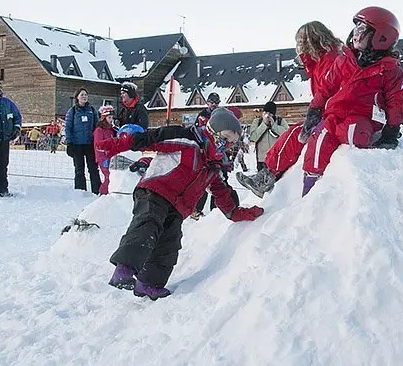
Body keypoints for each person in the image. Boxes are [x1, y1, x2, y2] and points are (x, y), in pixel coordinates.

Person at [97, 107, 264, 300]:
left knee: (170, 244)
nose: (227, 146)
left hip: (178, 208)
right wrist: (118, 144)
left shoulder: (213, 167)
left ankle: (148, 283)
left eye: (232, 143)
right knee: (148, 224)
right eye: (225, 139)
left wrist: (237, 213)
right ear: (214, 131)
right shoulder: (187, 140)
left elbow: (222, 194)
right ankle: (124, 269)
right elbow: (152, 138)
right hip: (155, 191)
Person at [299, 7, 403, 196]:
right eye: (356, 28)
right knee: (320, 138)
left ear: (381, 37)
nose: (356, 34)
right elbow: (326, 87)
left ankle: (347, 180)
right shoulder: (344, 60)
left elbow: (395, 99)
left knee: (353, 133)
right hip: (336, 112)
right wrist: (315, 110)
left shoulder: (390, 70)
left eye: (362, 30)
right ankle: (311, 187)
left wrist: (392, 129)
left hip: (363, 115)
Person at [236, 21, 343, 198]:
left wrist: (317, 115)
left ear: (314, 40)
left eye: (302, 41)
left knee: (294, 135)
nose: (299, 47)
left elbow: (330, 92)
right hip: (327, 113)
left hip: (335, 115)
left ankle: (266, 177)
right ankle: (267, 175)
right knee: (295, 131)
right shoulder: (319, 62)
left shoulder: (330, 60)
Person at [65, 88, 101, 194]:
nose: (84, 96)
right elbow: (68, 127)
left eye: (86, 95)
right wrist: (69, 142)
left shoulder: (92, 110)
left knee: (93, 168)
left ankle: (97, 190)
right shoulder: (72, 111)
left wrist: (97, 141)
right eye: (82, 95)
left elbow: (97, 126)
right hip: (77, 145)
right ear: (77, 97)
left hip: (90, 144)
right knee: (79, 169)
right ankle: (80, 192)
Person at [248, 101, 289, 171]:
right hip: (262, 159)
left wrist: (274, 126)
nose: (267, 115)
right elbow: (253, 137)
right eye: (265, 112)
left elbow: (287, 135)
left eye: (270, 113)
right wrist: (264, 125)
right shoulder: (257, 122)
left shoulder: (280, 122)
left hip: (277, 159)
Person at [93, 106, 117, 195]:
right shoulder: (99, 130)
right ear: (104, 118)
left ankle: (108, 192)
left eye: (112, 118)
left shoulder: (111, 130)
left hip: (110, 156)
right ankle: (103, 193)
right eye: (109, 117)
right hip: (103, 158)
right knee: (108, 176)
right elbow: (98, 145)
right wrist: (104, 156)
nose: (111, 120)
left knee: (111, 175)